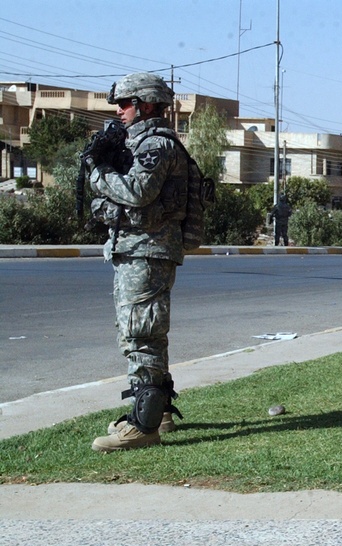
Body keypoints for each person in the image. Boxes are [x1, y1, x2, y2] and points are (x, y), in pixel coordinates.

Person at [87, 72, 186, 452]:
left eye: (125, 103)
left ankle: (143, 427)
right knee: (140, 331)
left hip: (148, 251)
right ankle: (156, 412)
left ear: (145, 104)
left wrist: (99, 173)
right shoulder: (139, 143)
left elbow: (137, 191)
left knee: (141, 333)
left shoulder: (156, 145)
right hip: (137, 250)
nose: (119, 110)